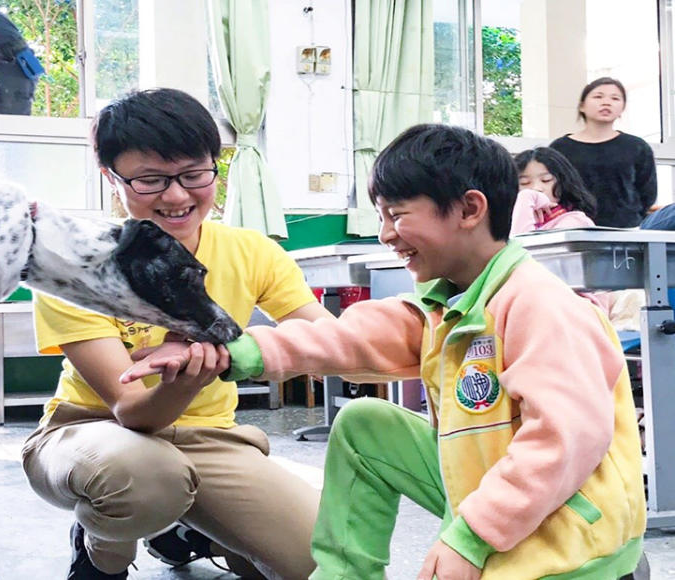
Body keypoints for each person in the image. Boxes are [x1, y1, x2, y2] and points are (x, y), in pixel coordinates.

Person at [125, 124, 647, 579]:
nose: (386, 234)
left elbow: (565, 440)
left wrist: (471, 537)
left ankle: (607, 563)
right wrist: (237, 351)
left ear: (469, 209)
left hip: (564, 538)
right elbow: (345, 337)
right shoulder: (445, 303)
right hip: (495, 492)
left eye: (397, 216)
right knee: (363, 424)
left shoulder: (541, 306)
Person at [20, 87, 334, 580]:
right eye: (150, 180)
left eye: (193, 174)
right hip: (97, 434)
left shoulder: (254, 252)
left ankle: (188, 529)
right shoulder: (78, 265)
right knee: (143, 481)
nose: (176, 196)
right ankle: (101, 551)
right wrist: (185, 379)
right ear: (111, 177)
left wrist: (241, 351)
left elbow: (330, 342)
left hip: (210, 441)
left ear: (216, 167)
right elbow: (132, 412)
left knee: (323, 559)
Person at [550, 77, 657, 228]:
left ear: (622, 108)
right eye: (598, 96)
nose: (606, 102)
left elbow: (647, 193)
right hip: (573, 230)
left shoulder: (636, 146)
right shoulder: (560, 148)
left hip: (626, 230)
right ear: (582, 106)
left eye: (615, 98)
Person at [510, 146, 596, 236]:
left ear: (563, 182)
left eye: (546, 180)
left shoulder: (575, 221)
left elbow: (523, 247)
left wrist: (526, 196)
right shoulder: (509, 223)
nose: (536, 188)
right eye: (525, 183)